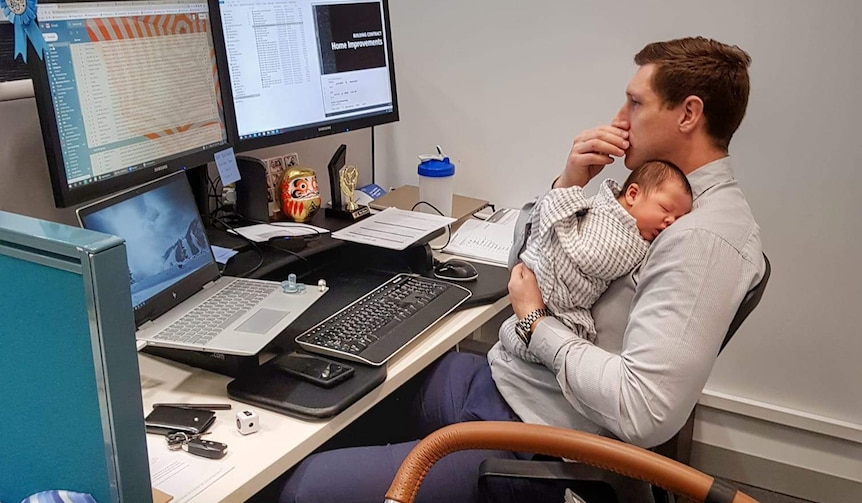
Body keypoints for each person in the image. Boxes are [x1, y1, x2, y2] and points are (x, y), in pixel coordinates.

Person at [277, 36, 766, 503]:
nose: (619, 118)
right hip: (506, 386)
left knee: (304, 488)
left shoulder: (700, 236)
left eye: (635, 103)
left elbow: (645, 412)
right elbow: (525, 271)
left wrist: (535, 325)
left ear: (689, 113)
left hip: (535, 445)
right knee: (334, 400)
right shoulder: (657, 196)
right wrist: (569, 181)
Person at [516, 159, 692, 346]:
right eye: (665, 209)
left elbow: (585, 255)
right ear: (633, 194)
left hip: (557, 306)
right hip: (534, 280)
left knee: (515, 340)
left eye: (678, 219)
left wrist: (561, 199)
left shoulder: (631, 243)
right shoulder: (604, 207)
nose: (670, 222)